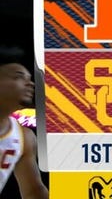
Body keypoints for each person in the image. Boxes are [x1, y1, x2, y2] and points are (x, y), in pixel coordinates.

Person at [0, 47, 48, 199]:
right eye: (19, 77)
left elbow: (33, 191)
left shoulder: (24, 137)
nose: (31, 84)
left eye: (30, 79)